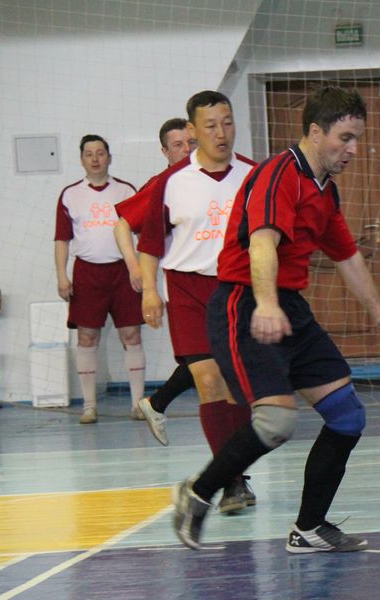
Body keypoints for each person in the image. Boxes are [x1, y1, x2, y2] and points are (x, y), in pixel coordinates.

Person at [171, 85, 380, 552]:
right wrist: (267, 304)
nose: (352, 149)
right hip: (245, 303)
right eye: (344, 138)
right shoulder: (279, 174)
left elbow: (347, 256)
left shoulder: (325, 191)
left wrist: (379, 310)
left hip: (289, 306)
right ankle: (198, 491)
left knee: (347, 416)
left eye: (357, 139)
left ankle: (309, 528)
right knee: (276, 423)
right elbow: (262, 243)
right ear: (316, 132)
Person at [120, 91, 257, 514]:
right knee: (208, 381)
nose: (221, 132)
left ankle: (236, 472)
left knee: (237, 387)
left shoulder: (255, 175)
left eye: (227, 123)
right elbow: (148, 242)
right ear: (194, 130)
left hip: (238, 290)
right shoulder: (171, 181)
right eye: (211, 125)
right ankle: (232, 482)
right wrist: (149, 290)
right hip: (187, 290)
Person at [114, 117, 197, 445]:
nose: (187, 149)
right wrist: (135, 267)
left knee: (213, 361)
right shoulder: (164, 183)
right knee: (208, 360)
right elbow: (121, 224)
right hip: (182, 283)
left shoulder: (212, 175)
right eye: (178, 145)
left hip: (220, 279)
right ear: (165, 152)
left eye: (191, 142)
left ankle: (157, 403)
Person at [54, 135, 143, 424]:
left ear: (109, 157)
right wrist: (62, 276)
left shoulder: (126, 190)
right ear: (82, 159)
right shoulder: (70, 194)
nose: (95, 158)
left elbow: (142, 234)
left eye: (100, 153)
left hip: (123, 272)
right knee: (86, 337)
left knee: (131, 335)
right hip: (87, 273)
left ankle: (139, 405)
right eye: (89, 154)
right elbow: (62, 239)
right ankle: (89, 406)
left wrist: (140, 269)